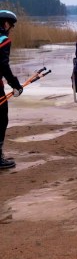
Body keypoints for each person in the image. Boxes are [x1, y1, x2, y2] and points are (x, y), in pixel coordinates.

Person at [0, 10, 23, 169]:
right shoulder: (3, 40)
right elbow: (3, 65)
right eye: (11, 26)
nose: (11, 29)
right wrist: (15, 84)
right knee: (1, 120)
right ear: (5, 24)